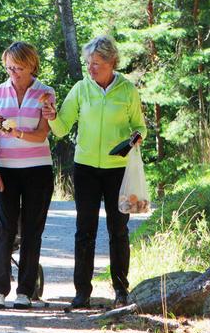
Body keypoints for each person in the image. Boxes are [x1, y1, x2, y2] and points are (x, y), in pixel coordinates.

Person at [42, 35, 146, 309]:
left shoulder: (127, 90)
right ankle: (82, 292)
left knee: (118, 230)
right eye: (89, 63)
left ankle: (121, 290)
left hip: (118, 169)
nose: (91, 68)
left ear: (112, 62)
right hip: (86, 168)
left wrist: (136, 137)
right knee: (84, 230)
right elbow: (62, 127)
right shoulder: (80, 89)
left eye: (97, 63)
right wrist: (52, 116)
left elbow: (140, 126)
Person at [0, 42, 55, 310]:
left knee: (32, 229)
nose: (13, 73)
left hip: (38, 169)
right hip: (6, 170)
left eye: (19, 68)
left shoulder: (45, 92)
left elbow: (41, 134)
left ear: (31, 66)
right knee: (4, 228)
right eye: (10, 68)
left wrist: (17, 134)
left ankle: (25, 291)